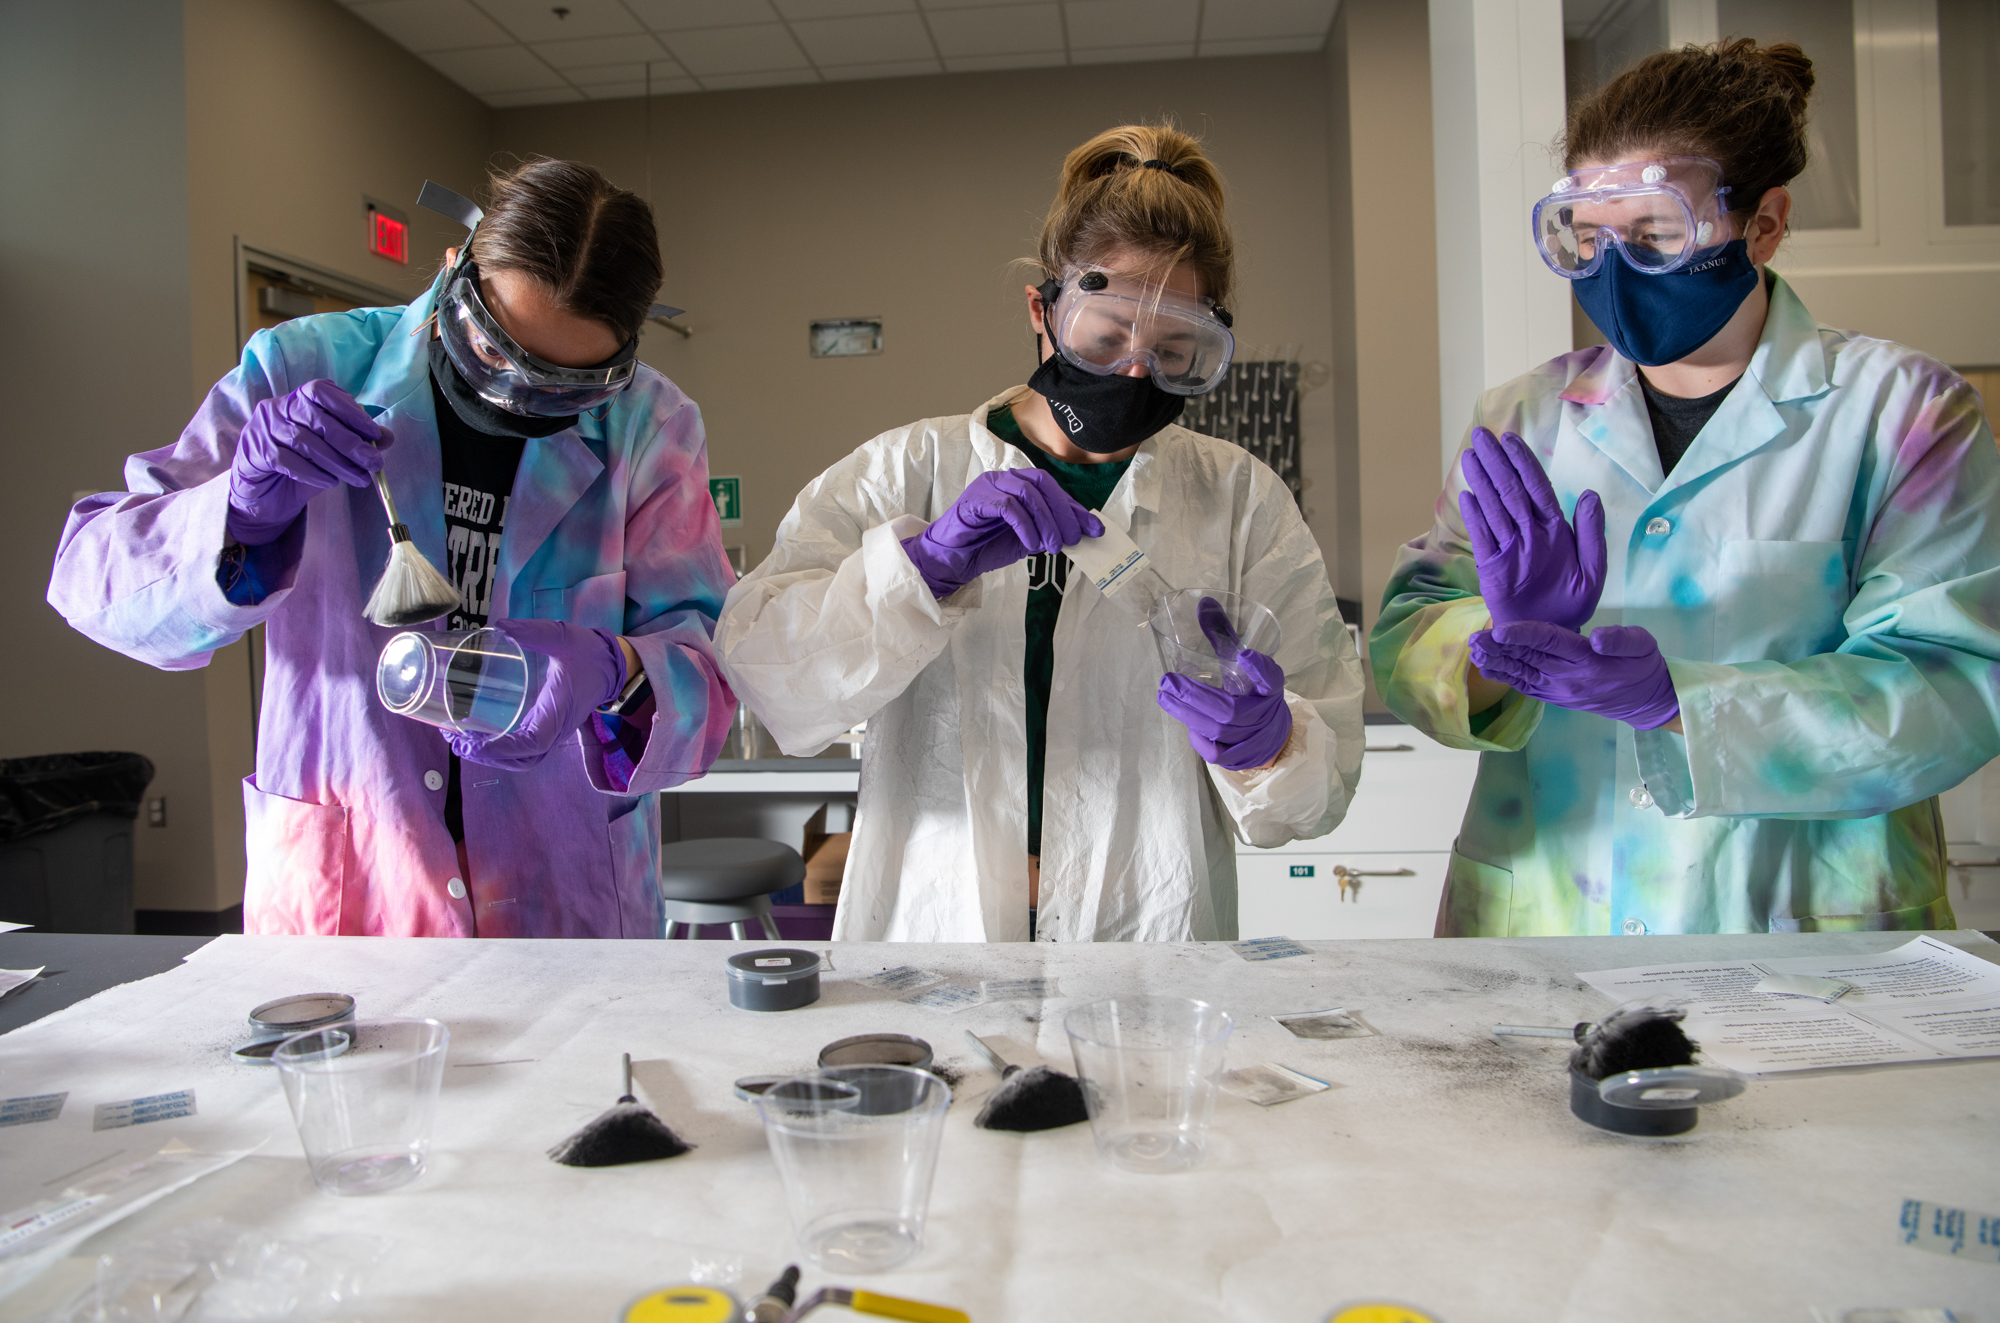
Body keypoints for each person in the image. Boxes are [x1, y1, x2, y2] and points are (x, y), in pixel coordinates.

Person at [1371, 40, 2000, 936]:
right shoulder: (1526, 416)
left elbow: (1954, 690)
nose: (1613, 270)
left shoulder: (1906, 415)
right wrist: (1497, 641)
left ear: (1766, 222)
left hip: (1802, 933)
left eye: (1656, 235)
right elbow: (1408, 635)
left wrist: (1681, 704)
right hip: (1553, 920)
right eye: (1588, 239)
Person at [50, 159, 736, 937]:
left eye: (560, 390)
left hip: (565, 897)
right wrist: (236, 511)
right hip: (351, 894)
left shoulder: (649, 425)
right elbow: (85, 579)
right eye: (491, 354)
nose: (511, 398)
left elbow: (711, 670)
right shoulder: (300, 367)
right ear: (453, 275)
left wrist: (619, 672)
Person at [718, 124, 1365, 942]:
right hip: (935, 930)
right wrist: (919, 569)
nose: (1136, 372)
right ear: (1043, 311)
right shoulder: (903, 470)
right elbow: (770, 673)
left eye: (1175, 351)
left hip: (1149, 938)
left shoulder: (1240, 500)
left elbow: (1324, 777)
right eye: (1106, 336)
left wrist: (1273, 745)